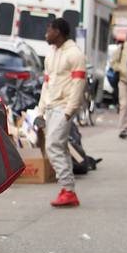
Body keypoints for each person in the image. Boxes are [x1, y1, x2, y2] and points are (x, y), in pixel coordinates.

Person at [35, 17, 86, 207]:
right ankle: (68, 190)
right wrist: (41, 110)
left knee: (53, 147)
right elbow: (46, 84)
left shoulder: (74, 54)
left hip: (63, 108)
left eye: (49, 30)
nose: (46, 34)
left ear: (58, 32)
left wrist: (69, 110)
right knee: (61, 148)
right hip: (50, 108)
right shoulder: (51, 54)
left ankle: (67, 188)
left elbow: (78, 84)